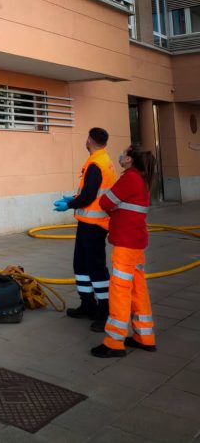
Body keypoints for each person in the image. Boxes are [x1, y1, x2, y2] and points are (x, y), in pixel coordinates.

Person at [91, 144, 157, 358]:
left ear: (129, 159)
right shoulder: (141, 178)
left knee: (120, 290)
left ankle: (114, 342)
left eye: (125, 152)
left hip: (126, 244)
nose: (121, 155)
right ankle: (144, 337)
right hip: (136, 243)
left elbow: (106, 201)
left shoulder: (129, 178)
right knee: (138, 288)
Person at [54, 127, 117, 331]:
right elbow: (93, 193)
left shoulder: (95, 164)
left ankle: (104, 311)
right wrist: (74, 199)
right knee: (81, 265)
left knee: (95, 268)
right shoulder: (104, 160)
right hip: (89, 223)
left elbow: (89, 196)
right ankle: (88, 305)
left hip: (94, 226)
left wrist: (70, 205)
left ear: (89, 140)